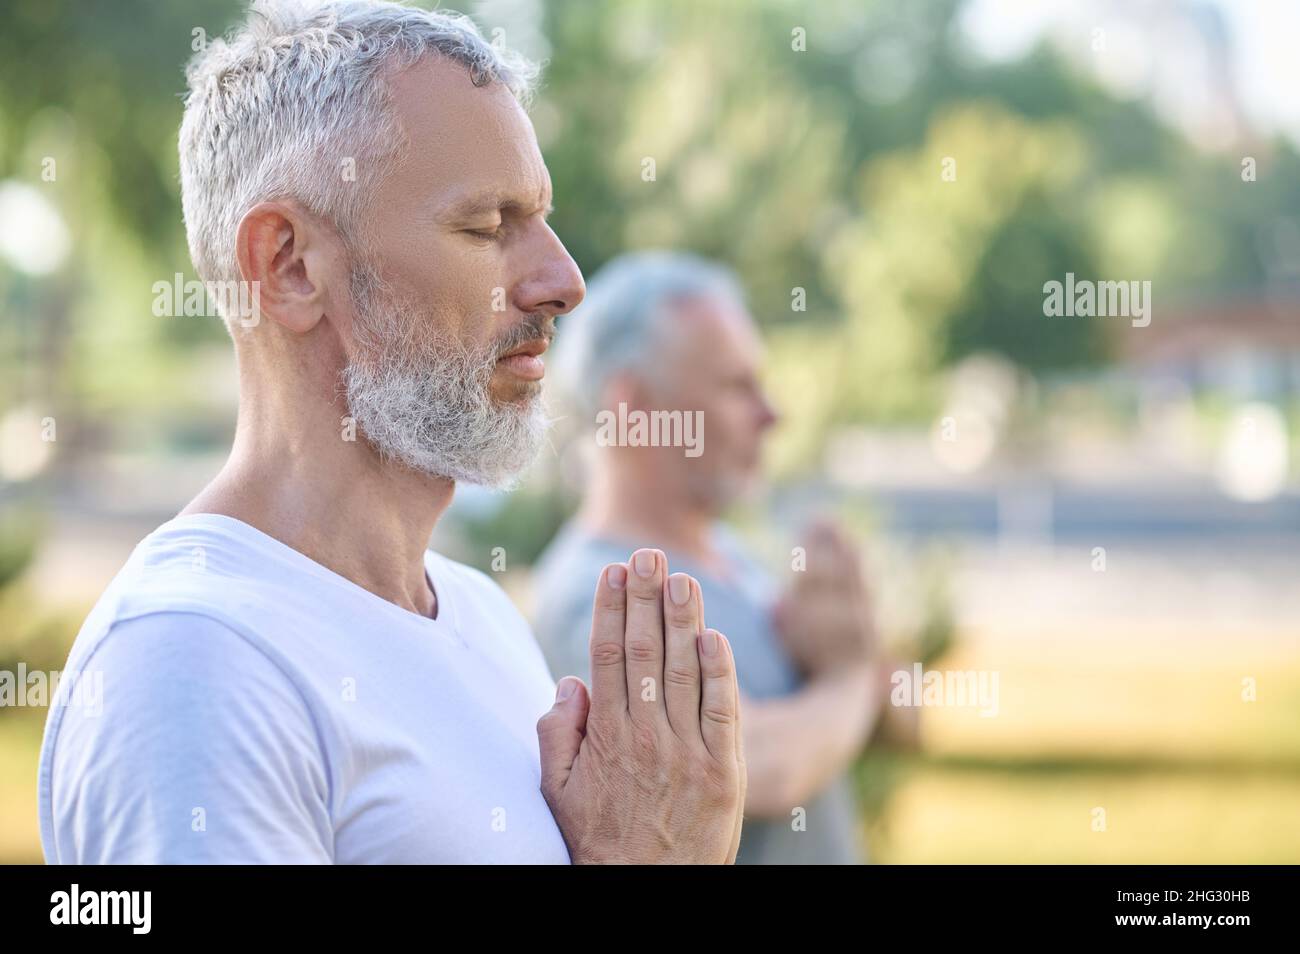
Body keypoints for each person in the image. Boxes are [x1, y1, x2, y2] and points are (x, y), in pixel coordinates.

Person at [38, 1, 745, 864]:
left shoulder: (480, 615)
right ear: (289, 266)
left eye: (543, 220)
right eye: (488, 227)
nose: (563, 280)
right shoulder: (192, 662)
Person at [534, 251, 909, 864]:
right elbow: (760, 767)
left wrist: (859, 647)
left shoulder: (731, 554)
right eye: (738, 386)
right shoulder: (599, 594)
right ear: (632, 407)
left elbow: (884, 717)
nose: (772, 414)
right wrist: (849, 677)